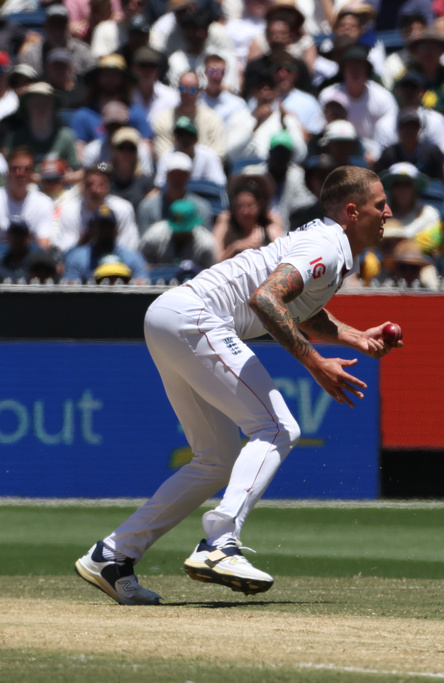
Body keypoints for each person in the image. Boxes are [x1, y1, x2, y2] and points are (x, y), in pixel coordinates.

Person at [74, 165, 397, 606]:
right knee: (279, 428)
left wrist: (355, 336)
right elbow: (266, 299)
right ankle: (218, 543)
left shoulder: (329, 246)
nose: (389, 212)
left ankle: (112, 555)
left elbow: (299, 307)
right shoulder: (328, 244)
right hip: (194, 318)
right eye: (381, 205)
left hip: (171, 318)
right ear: (352, 211)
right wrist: (315, 363)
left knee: (218, 458)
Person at [212, 173, 284, 261]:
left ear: (259, 205)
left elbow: (282, 256)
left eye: (250, 206)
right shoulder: (225, 224)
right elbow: (213, 260)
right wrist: (234, 248)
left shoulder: (270, 227)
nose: (245, 212)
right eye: (240, 206)